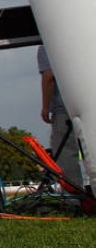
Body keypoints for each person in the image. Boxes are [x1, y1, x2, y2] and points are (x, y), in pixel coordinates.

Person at [37, 45, 84, 190]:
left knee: (65, 155)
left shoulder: (46, 46)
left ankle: (75, 198)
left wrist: (45, 107)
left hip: (64, 107)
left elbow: (49, 76)